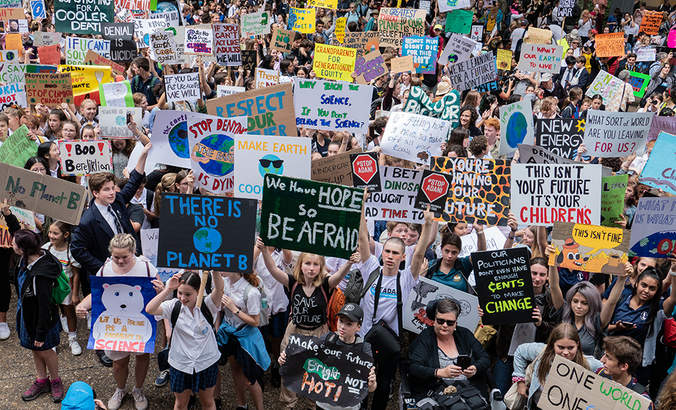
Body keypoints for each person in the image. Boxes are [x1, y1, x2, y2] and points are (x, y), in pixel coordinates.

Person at [355, 206, 435, 410]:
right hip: (365, 338)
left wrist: (427, 223)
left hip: (390, 341)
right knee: (361, 382)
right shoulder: (372, 268)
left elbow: (419, 252)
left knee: (383, 384)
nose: (390, 256)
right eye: (388, 251)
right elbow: (363, 238)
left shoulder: (406, 278)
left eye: (395, 253)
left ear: (403, 256)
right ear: (382, 253)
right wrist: (361, 206)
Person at [260, 240, 356, 409]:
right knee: (289, 372)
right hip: (295, 332)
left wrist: (349, 263)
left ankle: (313, 405)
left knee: (316, 375)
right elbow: (273, 269)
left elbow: (339, 276)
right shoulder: (292, 282)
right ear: (300, 265)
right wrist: (264, 250)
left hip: (318, 333)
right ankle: (289, 404)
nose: (311, 268)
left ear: (321, 267)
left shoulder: (326, 285)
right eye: (307, 263)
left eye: (315, 264)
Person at [76, 234, 161, 410]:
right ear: (110, 254)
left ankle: (138, 390)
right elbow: (97, 295)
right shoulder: (105, 270)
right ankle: (120, 389)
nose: (120, 261)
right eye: (116, 257)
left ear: (133, 252)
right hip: (115, 325)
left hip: (140, 323)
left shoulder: (146, 268)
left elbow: (160, 293)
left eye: (125, 257)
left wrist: (162, 290)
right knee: (118, 362)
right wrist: (82, 305)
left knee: (142, 356)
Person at [1, 200, 65, 402]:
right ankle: (41, 379)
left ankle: (55, 380)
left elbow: (44, 307)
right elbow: (17, 232)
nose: (11, 245)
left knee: (45, 350)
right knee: (34, 349)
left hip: (41, 320)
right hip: (27, 314)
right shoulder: (30, 253)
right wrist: (7, 214)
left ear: (22, 250)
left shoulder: (40, 275)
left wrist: (40, 332)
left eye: (14, 244)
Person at [146, 271, 224, 410]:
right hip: (180, 363)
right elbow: (150, 309)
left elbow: (219, 289)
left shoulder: (208, 304)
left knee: (208, 402)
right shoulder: (174, 306)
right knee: (181, 404)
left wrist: (216, 270)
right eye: (180, 293)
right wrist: (168, 289)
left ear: (198, 291)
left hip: (205, 362)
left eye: (188, 294)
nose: (182, 298)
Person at [278, 303, 377, 410]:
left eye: (349, 324)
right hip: (324, 405)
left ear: (358, 327)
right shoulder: (328, 339)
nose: (342, 327)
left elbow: (371, 388)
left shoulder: (363, 349)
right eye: (341, 321)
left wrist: (372, 383)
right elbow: (305, 359)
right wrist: (286, 360)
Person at [408, 298, 491, 398]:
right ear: (434, 320)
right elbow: (413, 367)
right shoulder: (426, 337)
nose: (444, 325)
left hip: (469, 393)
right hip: (437, 393)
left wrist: (475, 368)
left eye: (450, 322)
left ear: (456, 323)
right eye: (440, 321)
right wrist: (439, 372)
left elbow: (485, 358)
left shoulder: (464, 334)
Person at [511, 323, 603, 409]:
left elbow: (605, 370)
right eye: (561, 347)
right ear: (553, 345)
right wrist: (520, 382)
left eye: (570, 348)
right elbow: (520, 351)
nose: (566, 352)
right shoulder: (541, 352)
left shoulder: (587, 363)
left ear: (577, 345)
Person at [216, 269, 269, 410]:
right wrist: (218, 326)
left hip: (246, 338)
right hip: (229, 333)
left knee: (250, 379)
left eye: (224, 265)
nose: (220, 269)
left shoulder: (251, 292)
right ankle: (242, 404)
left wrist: (234, 309)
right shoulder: (224, 283)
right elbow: (219, 309)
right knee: (235, 369)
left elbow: (255, 321)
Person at [42, 221, 82, 356]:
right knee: (51, 313)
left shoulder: (70, 251)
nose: (51, 236)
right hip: (50, 288)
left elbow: (76, 274)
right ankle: (53, 340)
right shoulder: (46, 248)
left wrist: (75, 294)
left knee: (70, 312)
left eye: (55, 233)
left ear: (65, 235)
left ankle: (73, 339)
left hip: (66, 288)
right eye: (50, 232)